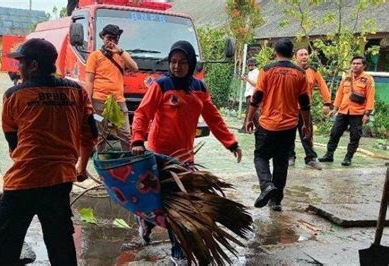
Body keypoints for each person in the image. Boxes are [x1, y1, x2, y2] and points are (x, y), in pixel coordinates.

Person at [0, 38, 97, 265]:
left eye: (21, 62)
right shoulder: (77, 92)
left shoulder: (14, 95)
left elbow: (13, 144)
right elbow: (90, 134)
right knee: (60, 242)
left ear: (33, 65)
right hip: (62, 180)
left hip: (24, 181)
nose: (18, 68)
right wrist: (81, 167)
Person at [131, 40, 242, 265]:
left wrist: (231, 143)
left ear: (191, 64)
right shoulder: (160, 85)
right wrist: (138, 141)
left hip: (185, 159)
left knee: (179, 207)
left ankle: (178, 252)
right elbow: (143, 113)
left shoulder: (199, 89)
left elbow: (213, 118)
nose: (176, 66)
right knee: (160, 202)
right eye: (172, 62)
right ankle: (146, 222)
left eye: (182, 62)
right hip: (159, 157)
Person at [245, 38, 311, 212]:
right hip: (289, 127)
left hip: (267, 124)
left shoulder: (266, 70)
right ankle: (276, 201)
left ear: (275, 53)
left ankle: (266, 185)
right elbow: (304, 102)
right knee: (281, 163)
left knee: (260, 157)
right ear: (292, 54)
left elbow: (257, 97)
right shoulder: (300, 73)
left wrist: (249, 119)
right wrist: (307, 125)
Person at [85, 24, 138, 151]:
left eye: (115, 39)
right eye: (109, 38)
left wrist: (119, 51)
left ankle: (128, 162)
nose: (112, 42)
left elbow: (134, 68)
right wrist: (88, 103)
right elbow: (89, 81)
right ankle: (101, 161)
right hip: (99, 102)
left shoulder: (122, 55)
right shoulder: (95, 56)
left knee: (125, 134)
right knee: (100, 135)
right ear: (103, 37)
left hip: (118, 102)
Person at [319, 56, 375, 166]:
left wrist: (367, 114)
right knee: (334, 133)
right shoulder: (347, 78)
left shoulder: (368, 79)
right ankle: (329, 155)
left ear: (364, 66)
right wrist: (334, 108)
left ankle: (348, 158)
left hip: (358, 113)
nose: (355, 65)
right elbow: (340, 93)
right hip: (343, 111)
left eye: (358, 63)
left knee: (354, 136)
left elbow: (370, 97)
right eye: (353, 63)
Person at [289, 48, 332, 170]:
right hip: (290, 109)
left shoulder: (313, 71)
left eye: (306, 54)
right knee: (289, 135)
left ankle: (311, 158)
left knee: (307, 134)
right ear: (295, 57)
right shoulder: (290, 70)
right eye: (301, 55)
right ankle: (290, 157)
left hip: (304, 110)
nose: (304, 57)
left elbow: (323, 86)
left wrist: (327, 103)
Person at [240, 58, 260, 132]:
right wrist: (245, 79)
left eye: (252, 65)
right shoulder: (250, 72)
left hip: (253, 94)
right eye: (249, 65)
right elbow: (249, 83)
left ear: (254, 65)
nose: (250, 66)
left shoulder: (257, 72)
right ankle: (259, 128)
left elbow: (256, 84)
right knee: (253, 113)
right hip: (248, 93)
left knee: (249, 112)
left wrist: (247, 79)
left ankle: (245, 128)